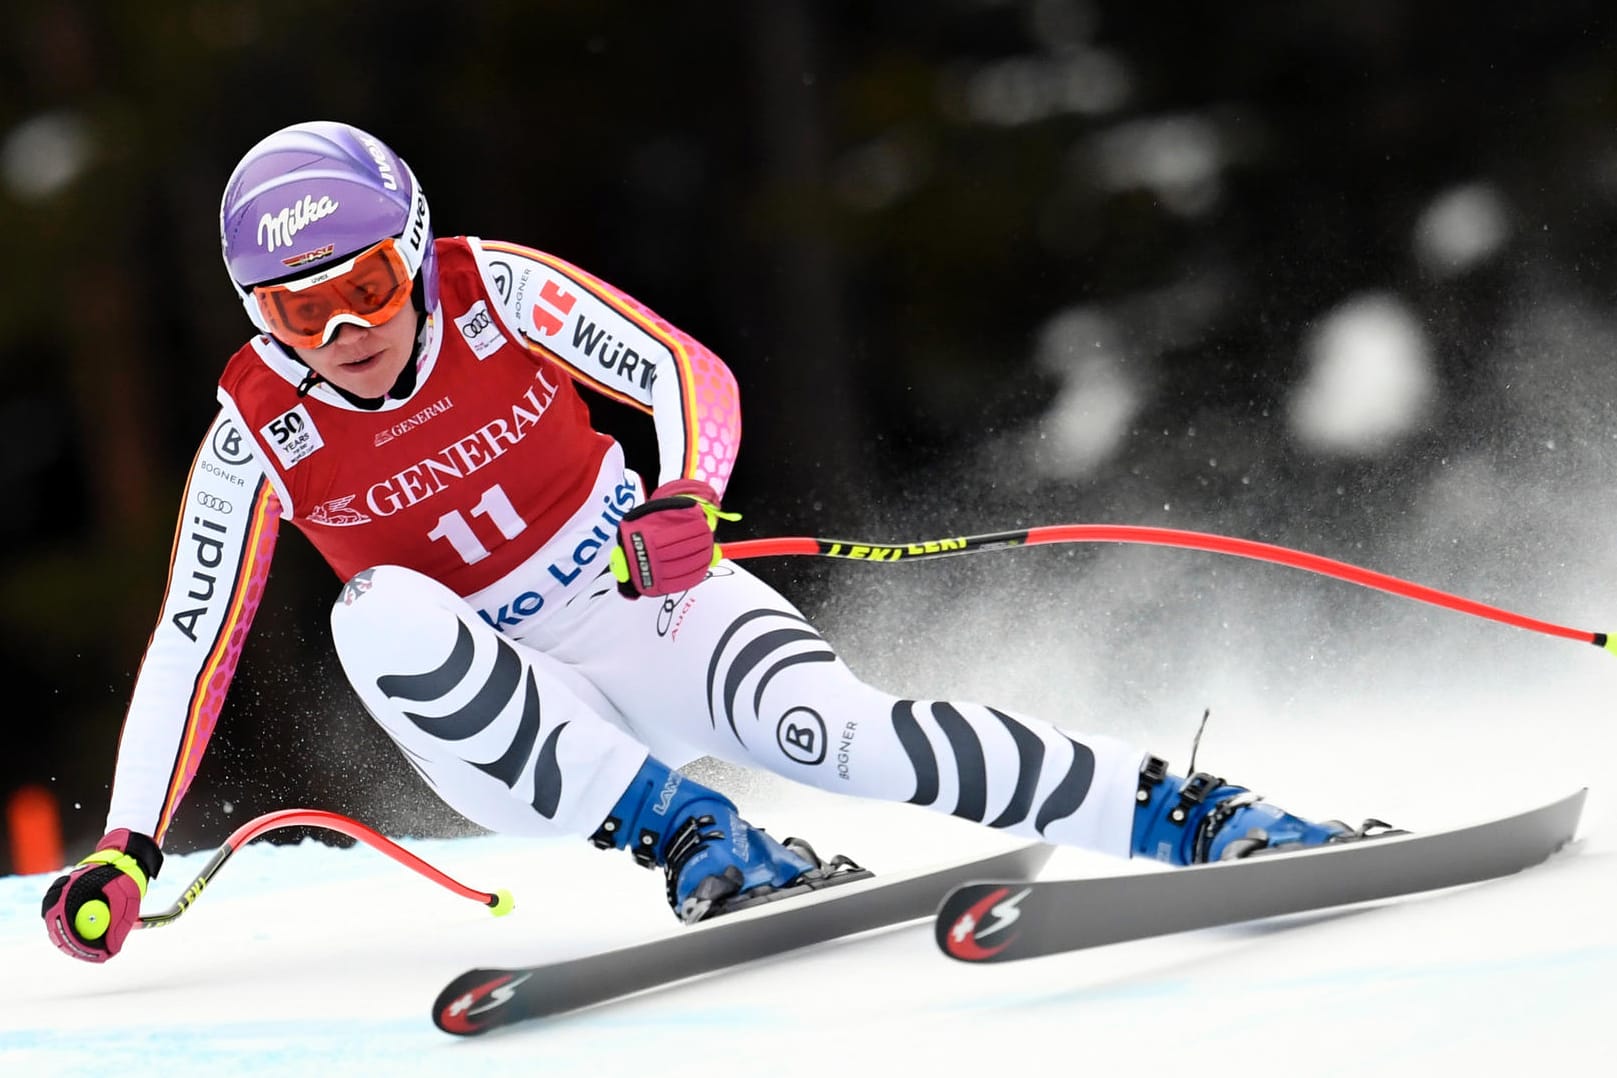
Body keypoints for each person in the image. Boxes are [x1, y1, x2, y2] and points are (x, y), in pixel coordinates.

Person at [41, 121, 1379, 964]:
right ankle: (694, 837)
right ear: (254, 313)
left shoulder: (495, 289)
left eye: (369, 288)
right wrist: (128, 844)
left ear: (414, 247)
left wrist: (684, 493)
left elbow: (686, 374)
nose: (345, 336)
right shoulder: (252, 431)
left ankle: (1201, 816)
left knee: (857, 739)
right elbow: (190, 635)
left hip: (640, 603)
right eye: (297, 313)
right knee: (371, 613)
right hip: (510, 720)